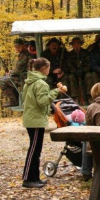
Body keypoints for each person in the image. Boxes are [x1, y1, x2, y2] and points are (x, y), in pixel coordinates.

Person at [21, 57, 67, 188]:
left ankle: (34, 178)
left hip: (33, 118)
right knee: (34, 150)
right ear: (43, 69)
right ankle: (28, 179)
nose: (50, 70)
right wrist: (56, 92)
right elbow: (42, 101)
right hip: (35, 120)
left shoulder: (30, 82)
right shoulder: (40, 83)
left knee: (36, 150)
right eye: (48, 68)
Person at [0, 38, 31, 107]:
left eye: (19, 47)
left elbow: (18, 70)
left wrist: (11, 72)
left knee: (2, 81)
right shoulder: (24, 54)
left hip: (24, 78)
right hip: (24, 76)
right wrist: (12, 72)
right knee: (7, 79)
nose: (17, 49)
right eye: (16, 47)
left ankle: (14, 101)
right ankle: (16, 100)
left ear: (23, 46)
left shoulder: (24, 55)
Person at [65, 37, 95, 105]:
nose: (76, 45)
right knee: (70, 77)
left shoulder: (86, 53)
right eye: (74, 44)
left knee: (89, 76)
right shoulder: (70, 54)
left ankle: (89, 96)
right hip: (74, 73)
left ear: (80, 44)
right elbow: (69, 65)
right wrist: (74, 71)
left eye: (78, 44)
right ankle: (75, 97)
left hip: (84, 72)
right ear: (72, 45)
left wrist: (83, 70)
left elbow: (89, 64)